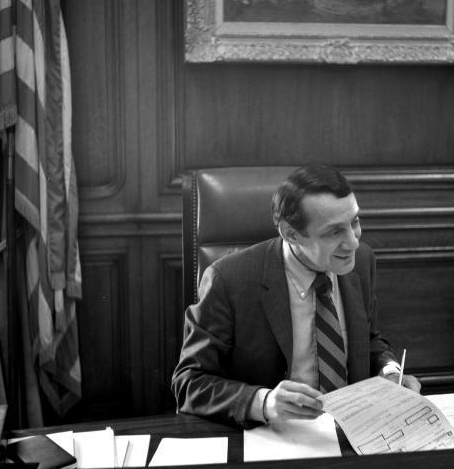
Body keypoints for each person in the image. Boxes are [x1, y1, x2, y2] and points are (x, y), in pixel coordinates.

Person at [171, 164, 421, 428]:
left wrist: (389, 370)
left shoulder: (361, 261)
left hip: (353, 431)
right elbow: (189, 383)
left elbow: (367, 339)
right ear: (291, 233)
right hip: (272, 436)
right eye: (334, 232)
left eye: (355, 222)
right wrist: (264, 403)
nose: (354, 242)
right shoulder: (228, 280)